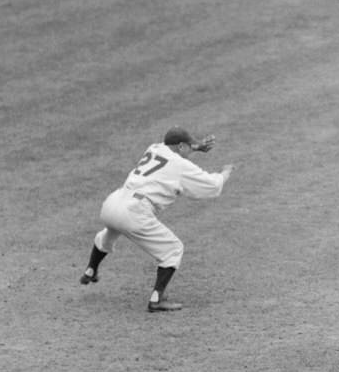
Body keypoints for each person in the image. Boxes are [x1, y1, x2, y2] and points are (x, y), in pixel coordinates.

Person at [79, 127, 234, 312]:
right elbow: (211, 186)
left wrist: (197, 146)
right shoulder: (180, 165)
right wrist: (225, 173)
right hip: (134, 210)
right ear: (182, 146)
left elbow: (174, 144)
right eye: (189, 146)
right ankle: (156, 299)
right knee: (173, 249)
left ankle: (90, 269)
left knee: (109, 234)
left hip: (113, 202)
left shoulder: (154, 148)